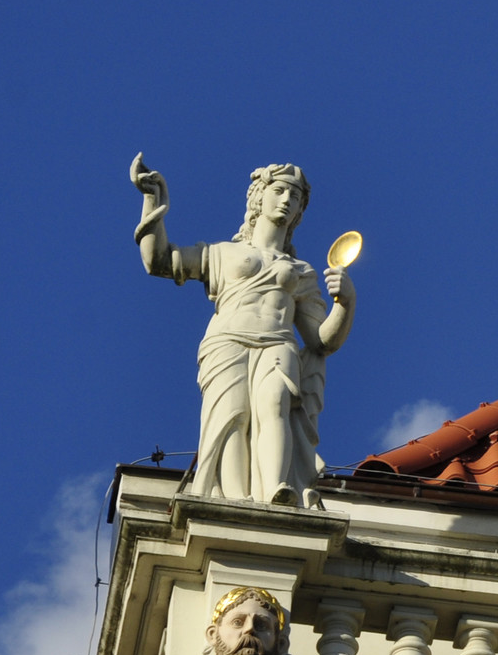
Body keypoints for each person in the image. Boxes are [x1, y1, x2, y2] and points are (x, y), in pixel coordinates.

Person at [132, 156, 356, 507]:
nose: (287, 200)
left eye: (295, 197)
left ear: (300, 211)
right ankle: (232, 497)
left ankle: (278, 488)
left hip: (278, 341)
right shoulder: (221, 254)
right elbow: (158, 260)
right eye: (279, 191)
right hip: (228, 341)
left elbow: (321, 340)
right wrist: (152, 199)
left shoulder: (301, 271)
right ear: (259, 197)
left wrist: (345, 302)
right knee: (232, 416)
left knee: (275, 404)